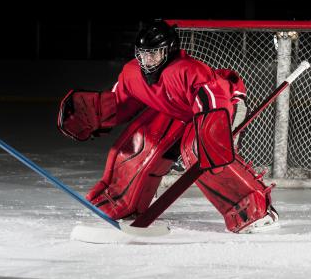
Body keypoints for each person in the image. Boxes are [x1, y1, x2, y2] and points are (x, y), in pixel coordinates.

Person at [58, 19, 279, 234]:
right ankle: (124, 202)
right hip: (180, 110)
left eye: (154, 53)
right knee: (140, 143)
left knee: (201, 150)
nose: (147, 59)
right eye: (143, 54)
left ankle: (254, 208)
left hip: (221, 107)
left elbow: (214, 95)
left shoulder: (188, 70)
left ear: (169, 50)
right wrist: (94, 111)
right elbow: (120, 101)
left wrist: (209, 130)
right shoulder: (132, 73)